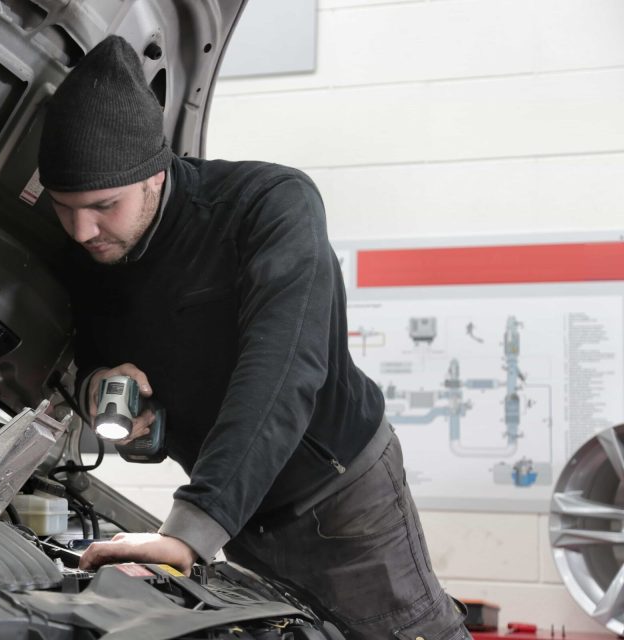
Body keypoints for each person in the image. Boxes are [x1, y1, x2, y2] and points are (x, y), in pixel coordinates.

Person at [37, 35, 469, 639]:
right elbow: (75, 354)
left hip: (341, 501)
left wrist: (190, 530)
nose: (82, 231)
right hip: (238, 516)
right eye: (63, 208)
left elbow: (281, 373)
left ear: (156, 175)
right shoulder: (87, 252)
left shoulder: (268, 207)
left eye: (103, 205)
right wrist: (95, 388)